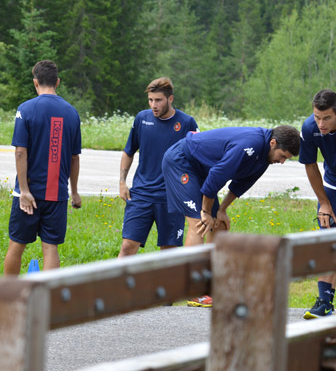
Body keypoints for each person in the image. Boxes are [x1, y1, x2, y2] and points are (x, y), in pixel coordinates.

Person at [161, 124, 301, 307]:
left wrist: (222, 210)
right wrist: (205, 211)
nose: (282, 161)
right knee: (199, 225)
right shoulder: (249, 144)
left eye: (286, 159)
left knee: (219, 225)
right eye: (282, 156)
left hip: (203, 170)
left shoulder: (265, 156)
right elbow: (218, 175)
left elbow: (241, 184)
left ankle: (207, 283)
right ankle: (193, 289)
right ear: (273, 143)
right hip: (182, 161)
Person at [3, 60, 82, 275]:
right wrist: (74, 192)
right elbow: (75, 158)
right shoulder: (72, 112)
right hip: (56, 193)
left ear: (35, 82)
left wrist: (24, 191)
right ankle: (48, 303)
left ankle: (8, 298)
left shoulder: (26, 109)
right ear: (57, 82)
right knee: (50, 248)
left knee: (17, 245)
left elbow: (20, 151)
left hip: (29, 193)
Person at [118, 78, 198, 258]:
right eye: (150, 100)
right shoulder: (141, 119)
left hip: (172, 198)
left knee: (168, 252)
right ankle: (115, 286)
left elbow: (198, 159)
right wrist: (122, 182)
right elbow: (128, 151)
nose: (153, 105)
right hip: (141, 194)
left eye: (158, 100)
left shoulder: (187, 123)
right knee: (127, 246)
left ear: (170, 99)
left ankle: (169, 286)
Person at [300, 89, 336, 319]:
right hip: (332, 188)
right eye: (317, 117)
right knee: (328, 241)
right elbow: (310, 165)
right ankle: (324, 302)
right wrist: (324, 202)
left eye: (327, 118)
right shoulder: (309, 128)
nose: (320, 124)